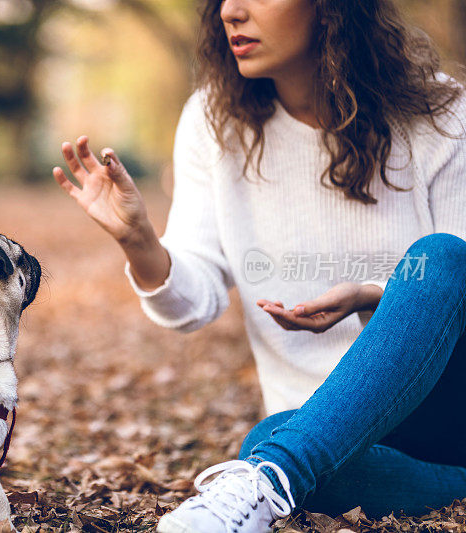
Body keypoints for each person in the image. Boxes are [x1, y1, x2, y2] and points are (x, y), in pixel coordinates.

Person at [53, 0, 466, 531]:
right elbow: (190, 304)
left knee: (440, 255)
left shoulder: (441, 111)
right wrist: (139, 240)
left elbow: (454, 277)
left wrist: (370, 295)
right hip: (325, 432)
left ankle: (269, 479)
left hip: (446, 408)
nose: (231, 11)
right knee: (265, 440)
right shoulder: (212, 122)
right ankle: (284, 467)